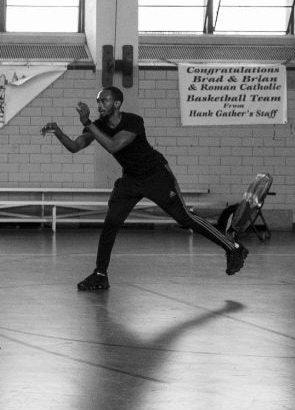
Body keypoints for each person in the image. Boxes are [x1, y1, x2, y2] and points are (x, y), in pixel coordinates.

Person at [42, 87, 249, 291]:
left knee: (184, 218)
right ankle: (100, 275)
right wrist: (58, 132)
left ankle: (234, 248)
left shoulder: (133, 121)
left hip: (156, 175)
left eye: (104, 100)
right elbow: (75, 147)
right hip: (131, 179)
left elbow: (114, 145)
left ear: (117, 103)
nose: (99, 105)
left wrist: (87, 122)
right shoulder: (98, 126)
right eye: (97, 101)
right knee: (111, 223)